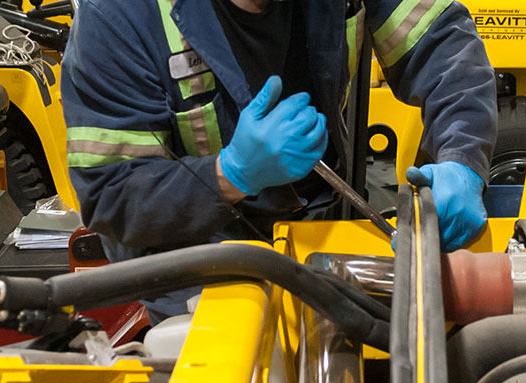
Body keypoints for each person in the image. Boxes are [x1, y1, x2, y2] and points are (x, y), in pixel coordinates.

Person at [62, 0, 496, 318]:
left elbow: (440, 44)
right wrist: (228, 175)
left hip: (324, 232)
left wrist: (463, 159)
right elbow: (111, 195)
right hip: (196, 267)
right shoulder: (116, 15)